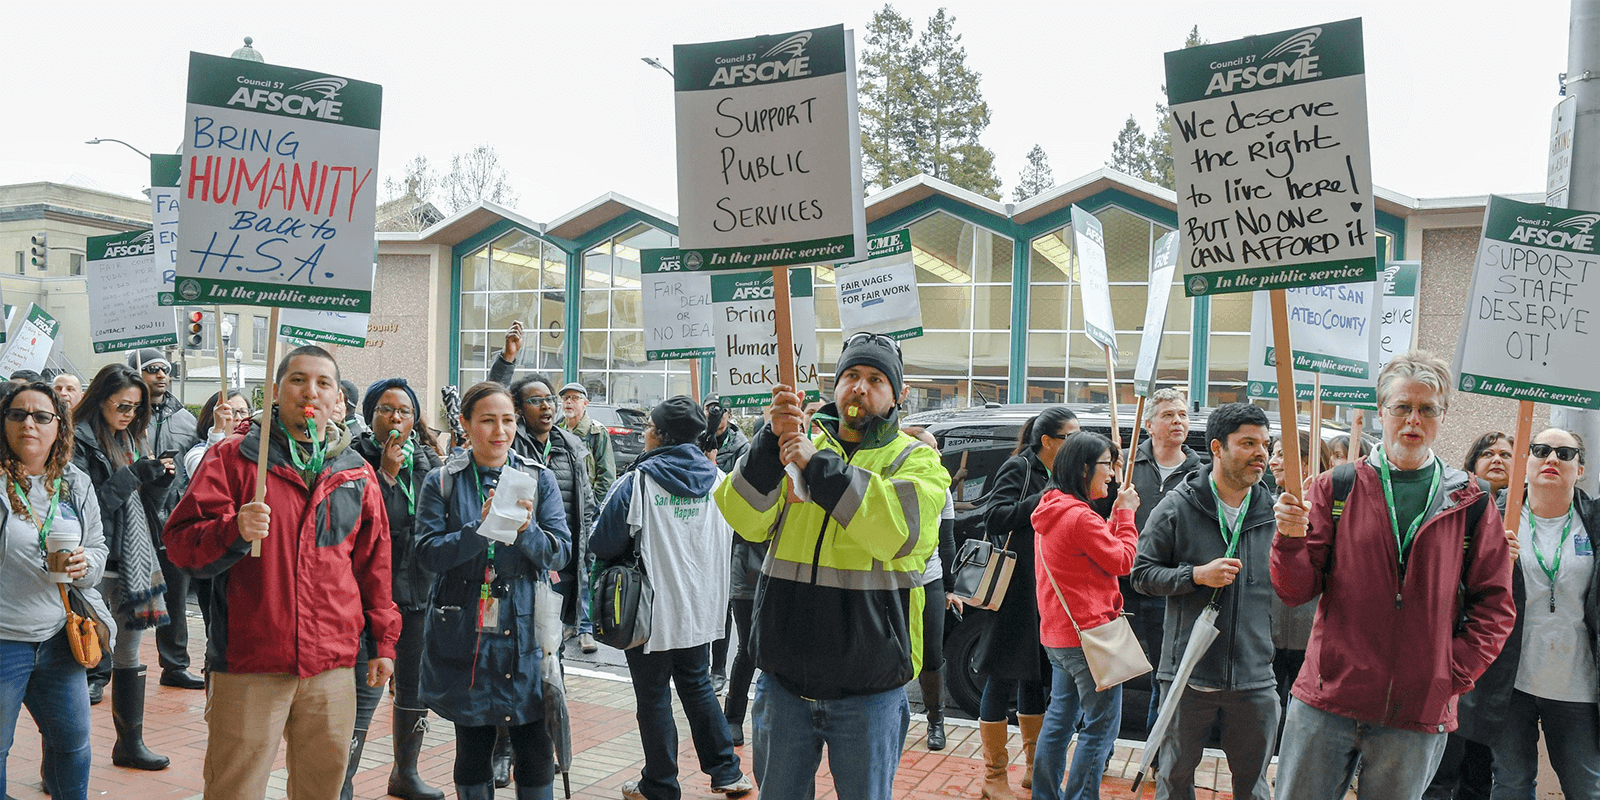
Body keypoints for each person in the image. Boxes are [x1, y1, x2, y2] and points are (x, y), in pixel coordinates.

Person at [1271, 350, 1516, 800]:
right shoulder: (1336, 486)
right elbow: (1295, 591)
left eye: (1427, 409)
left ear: (1443, 416)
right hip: (1328, 700)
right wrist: (1288, 539)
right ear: (1381, 410)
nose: (1413, 420)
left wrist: (1449, 672)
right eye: (1402, 407)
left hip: (1417, 709)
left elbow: (1496, 604)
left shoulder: (1471, 500)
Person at [714, 332, 949, 800]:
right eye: (851, 376)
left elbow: (899, 532)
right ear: (834, 385)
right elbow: (740, 514)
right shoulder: (795, 444)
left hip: (869, 690)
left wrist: (818, 467)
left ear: (898, 394)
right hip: (783, 683)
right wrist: (768, 442)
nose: (860, 388)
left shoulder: (916, 459)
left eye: (876, 379)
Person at [165, 345, 401, 800]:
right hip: (249, 663)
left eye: (323, 383)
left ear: (338, 401)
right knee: (234, 788)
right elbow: (180, 543)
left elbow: (375, 566)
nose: (309, 391)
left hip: (333, 666)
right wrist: (233, 529)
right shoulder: (234, 460)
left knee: (323, 789)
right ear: (275, 391)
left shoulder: (356, 473)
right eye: (297, 380)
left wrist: (384, 642)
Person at [413, 381, 570, 800]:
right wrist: (478, 531)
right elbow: (426, 554)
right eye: (487, 421)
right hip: (465, 628)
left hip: (527, 629)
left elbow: (561, 553)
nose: (500, 431)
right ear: (465, 424)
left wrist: (526, 532)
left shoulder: (539, 479)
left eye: (507, 420)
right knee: (473, 744)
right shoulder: (441, 482)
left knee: (536, 743)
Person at [591, 396, 753, 800]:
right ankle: (727, 772)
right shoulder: (718, 481)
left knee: (654, 698)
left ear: (659, 435)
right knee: (697, 687)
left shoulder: (639, 480)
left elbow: (603, 540)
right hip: (700, 610)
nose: (645, 432)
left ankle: (660, 783)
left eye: (649, 426)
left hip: (650, 613)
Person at [1133, 403, 1278, 800]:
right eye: (1248, 443)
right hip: (1187, 673)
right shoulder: (1179, 506)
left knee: (1254, 787)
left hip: (1254, 676)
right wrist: (1194, 575)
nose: (1261, 453)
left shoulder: (1275, 512)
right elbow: (1141, 574)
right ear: (1217, 447)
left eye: (1265, 444)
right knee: (1175, 782)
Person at [1456, 428, 1599, 799]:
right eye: (1541, 450)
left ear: (1579, 468)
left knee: (1586, 786)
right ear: (1527, 461)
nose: (1552, 459)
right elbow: (1458, 588)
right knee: (1511, 783)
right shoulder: (1492, 517)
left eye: (1564, 453)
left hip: (1576, 682)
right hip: (1510, 681)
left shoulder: (1595, 522)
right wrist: (1490, 558)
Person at [0, 382, 109, 800]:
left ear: (58, 426)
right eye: (18, 414)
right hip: (5, 639)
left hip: (58, 637)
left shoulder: (75, 483)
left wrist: (85, 565)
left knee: (72, 745)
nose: (29, 423)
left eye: (42, 416)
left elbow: (98, 549)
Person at [344, 377, 447, 800]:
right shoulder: (353, 459)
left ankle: (406, 772)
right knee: (363, 689)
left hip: (418, 595)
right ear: (370, 418)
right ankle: (342, 779)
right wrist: (386, 475)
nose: (396, 418)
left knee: (413, 685)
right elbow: (360, 526)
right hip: (367, 599)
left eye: (405, 411)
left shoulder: (428, 463)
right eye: (387, 409)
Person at [972, 406, 1079, 800]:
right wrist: (1045, 497)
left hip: (1049, 589)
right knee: (1000, 676)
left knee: (1035, 677)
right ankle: (993, 773)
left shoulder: (1070, 476)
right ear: (1048, 441)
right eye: (1070, 437)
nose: (1076, 444)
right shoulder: (1020, 468)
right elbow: (995, 518)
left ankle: (1034, 768)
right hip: (1014, 589)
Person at [1029, 432, 1139, 800]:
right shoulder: (1079, 518)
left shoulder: (1053, 507)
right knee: (1100, 727)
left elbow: (1090, 552)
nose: (1112, 474)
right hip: (1090, 639)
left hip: (1059, 635)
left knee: (1060, 720)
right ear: (1083, 468)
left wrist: (1111, 518)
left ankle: (1045, 793)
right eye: (1107, 465)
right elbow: (1123, 560)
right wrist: (1125, 514)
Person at [70, 364, 170, 769]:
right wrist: (130, 476)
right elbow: (82, 507)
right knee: (79, 656)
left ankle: (130, 744)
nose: (129, 413)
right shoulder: (75, 440)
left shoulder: (131, 438)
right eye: (123, 405)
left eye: (137, 407)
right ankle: (61, 757)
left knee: (129, 651)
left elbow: (150, 505)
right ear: (100, 399)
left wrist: (159, 478)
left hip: (133, 563)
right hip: (92, 563)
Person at [1423, 431, 1519, 800]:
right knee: (1441, 769)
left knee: (1479, 773)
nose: (1497, 459)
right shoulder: (1459, 505)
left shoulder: (1527, 514)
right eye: (1488, 453)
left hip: (1495, 664)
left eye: (1507, 454)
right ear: (1472, 462)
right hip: (1451, 653)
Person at [125, 349, 204, 692]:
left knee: (175, 593)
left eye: (164, 369)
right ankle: (102, 670)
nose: (159, 374)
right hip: (131, 517)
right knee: (122, 594)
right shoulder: (123, 414)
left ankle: (175, 665)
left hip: (173, 519)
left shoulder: (185, 419)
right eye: (150, 368)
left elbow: (197, 466)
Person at [1128, 388, 1202, 730]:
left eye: (1183, 415)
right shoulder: (1127, 466)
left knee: (1165, 672)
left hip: (1168, 585)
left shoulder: (1198, 475)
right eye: (1169, 415)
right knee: (1112, 668)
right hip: (1122, 585)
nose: (1178, 421)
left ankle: (1155, 756)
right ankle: (1102, 752)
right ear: (1149, 424)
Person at [1266, 430, 1331, 726]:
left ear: (1303, 463)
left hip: (1311, 633)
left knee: (1303, 716)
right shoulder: (1267, 506)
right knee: (1268, 711)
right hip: (1270, 632)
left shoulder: (1328, 509)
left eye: (1280, 454)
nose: (1271, 461)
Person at [901, 425, 958, 753]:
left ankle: (936, 721)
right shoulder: (894, 484)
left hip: (930, 580)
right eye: (930, 448)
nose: (937, 454)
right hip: (893, 581)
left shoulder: (943, 490)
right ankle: (895, 717)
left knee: (932, 655)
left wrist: (950, 588)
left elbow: (946, 540)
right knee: (894, 652)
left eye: (937, 448)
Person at [704, 395, 749, 474]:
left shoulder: (742, 448)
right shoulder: (694, 442)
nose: (715, 414)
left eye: (720, 410)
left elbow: (742, 481)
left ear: (729, 416)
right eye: (710, 409)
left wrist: (712, 464)